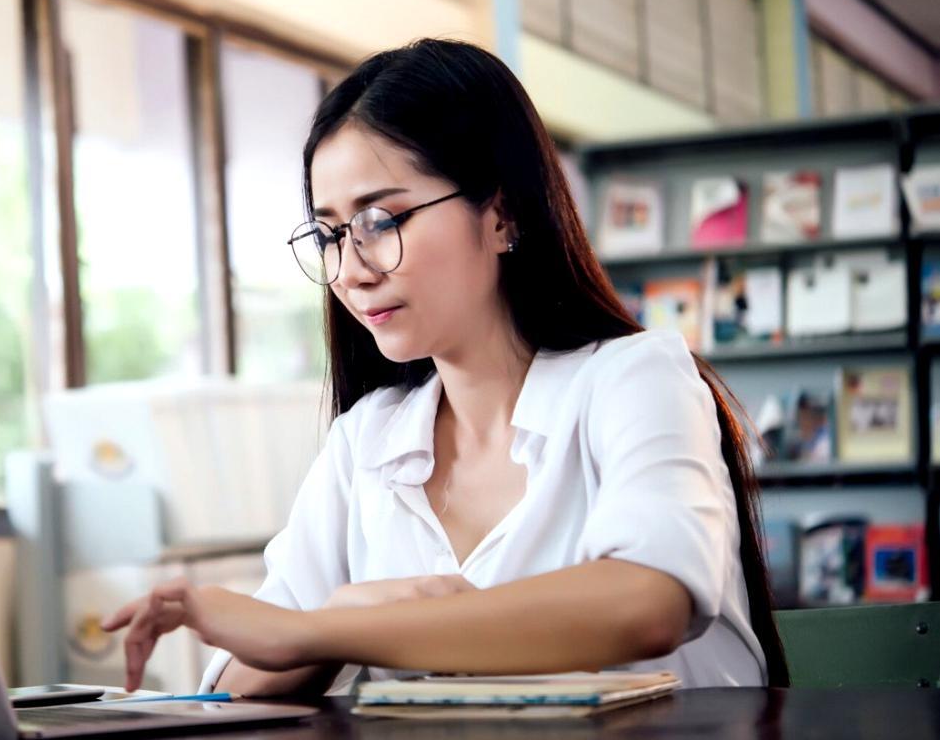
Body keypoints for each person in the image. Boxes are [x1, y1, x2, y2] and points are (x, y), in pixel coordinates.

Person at [101, 39, 788, 695]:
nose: (348, 271)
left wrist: (337, 625)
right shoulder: (366, 440)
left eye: (381, 219)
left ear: (500, 215)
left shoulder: (636, 378)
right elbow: (236, 683)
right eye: (330, 233)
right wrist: (337, 616)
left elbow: (647, 600)